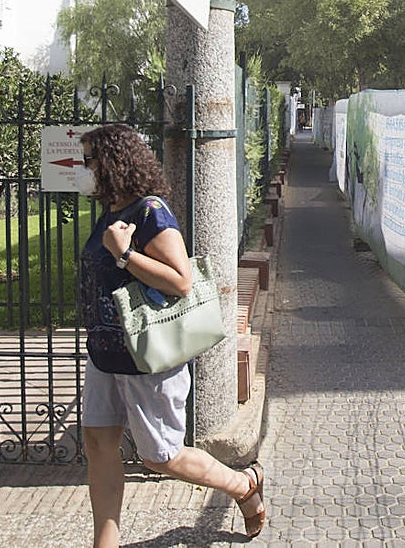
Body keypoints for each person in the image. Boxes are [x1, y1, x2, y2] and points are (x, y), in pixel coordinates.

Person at [76, 124, 266, 547]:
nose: (84, 167)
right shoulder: (112, 212)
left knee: (161, 456)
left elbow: (180, 281)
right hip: (105, 353)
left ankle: (242, 485)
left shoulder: (149, 212)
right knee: (99, 444)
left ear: (113, 161)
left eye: (89, 159)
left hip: (147, 356)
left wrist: (125, 255)